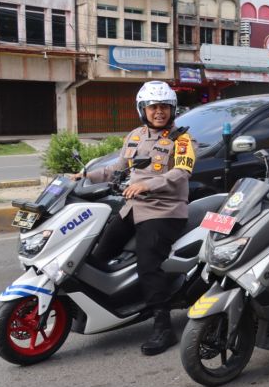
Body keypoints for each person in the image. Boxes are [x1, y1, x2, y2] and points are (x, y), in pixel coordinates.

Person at [80, 81, 196, 355]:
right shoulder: (134, 135)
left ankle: (163, 326)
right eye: (153, 107)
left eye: (164, 107)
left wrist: (147, 185)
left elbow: (181, 172)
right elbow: (117, 168)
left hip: (165, 210)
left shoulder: (182, 139)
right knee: (100, 252)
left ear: (172, 109)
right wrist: (84, 176)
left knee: (148, 264)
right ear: (142, 109)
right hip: (131, 207)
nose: (159, 112)